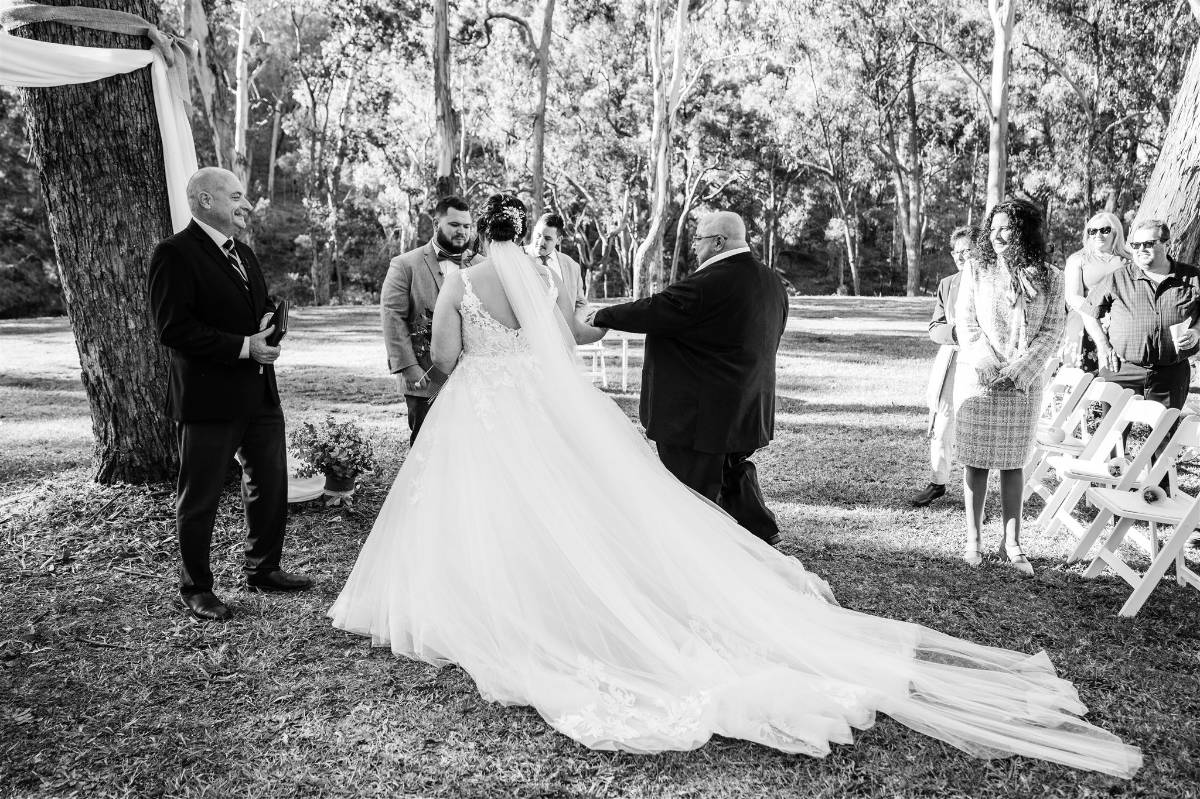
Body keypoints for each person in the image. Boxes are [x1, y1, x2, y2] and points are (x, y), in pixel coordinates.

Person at [328, 195, 1139, 777]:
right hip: (581, 405)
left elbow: (445, 360)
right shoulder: (569, 280)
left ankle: (495, 593)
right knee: (565, 501)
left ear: (474, 240)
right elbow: (559, 341)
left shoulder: (474, 284)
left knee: (506, 507)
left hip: (498, 405)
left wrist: (471, 364)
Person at [148, 167, 312, 622]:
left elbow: (253, 307)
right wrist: (244, 347)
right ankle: (196, 588)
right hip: (208, 397)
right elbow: (172, 328)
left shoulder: (243, 252)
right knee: (199, 496)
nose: (246, 205)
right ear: (205, 201)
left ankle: (263, 569)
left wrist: (268, 325)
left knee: (269, 485)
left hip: (259, 393)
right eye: (237, 196)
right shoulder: (174, 254)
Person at [586, 212, 789, 546]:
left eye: (698, 239)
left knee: (692, 492)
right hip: (748, 406)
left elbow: (657, 309)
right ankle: (761, 531)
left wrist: (603, 315)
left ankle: (699, 552)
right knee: (732, 469)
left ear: (719, 241)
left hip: (702, 413)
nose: (694, 247)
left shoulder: (714, 280)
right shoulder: (771, 281)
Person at [955, 199, 1065, 576]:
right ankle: (973, 539)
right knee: (976, 459)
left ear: (1025, 232)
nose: (999, 234)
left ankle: (1012, 541)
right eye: (995, 227)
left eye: (1008, 227)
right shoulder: (977, 268)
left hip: (1023, 384)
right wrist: (987, 363)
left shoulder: (1052, 277)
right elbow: (966, 321)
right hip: (980, 378)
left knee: (1014, 461)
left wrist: (1020, 371)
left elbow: (1051, 331)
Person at [381, 196, 480, 444]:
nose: (462, 231)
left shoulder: (482, 266)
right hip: (424, 376)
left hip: (474, 375)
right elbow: (393, 319)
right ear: (436, 224)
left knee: (471, 446)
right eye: (455, 224)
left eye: (467, 226)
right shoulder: (405, 265)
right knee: (426, 444)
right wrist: (408, 367)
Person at [1080, 218, 1200, 412]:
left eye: (1149, 244)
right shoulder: (1118, 278)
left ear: (1167, 245)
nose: (1140, 249)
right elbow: (1088, 312)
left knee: (1163, 437)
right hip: (1122, 370)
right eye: (1136, 244)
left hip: (1171, 372)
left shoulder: (1193, 277)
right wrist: (1103, 346)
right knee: (1111, 435)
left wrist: (1196, 331)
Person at [912, 227, 972, 507]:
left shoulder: (991, 281)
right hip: (952, 358)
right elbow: (935, 327)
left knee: (974, 425)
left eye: (967, 250)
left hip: (981, 362)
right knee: (943, 421)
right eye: (956, 251)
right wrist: (957, 333)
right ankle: (938, 481)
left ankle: (976, 492)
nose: (961, 256)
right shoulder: (948, 284)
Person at [1062, 212, 1131, 372]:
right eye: (1092, 231)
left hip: (1119, 319)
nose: (1097, 234)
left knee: (1114, 381)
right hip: (1084, 317)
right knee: (1079, 379)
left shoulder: (1128, 260)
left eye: (1104, 230)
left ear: (1116, 231)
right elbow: (1073, 296)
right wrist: (1096, 314)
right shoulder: (1078, 259)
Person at [526, 212, 587, 313]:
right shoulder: (517, 257)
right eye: (538, 235)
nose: (541, 242)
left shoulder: (572, 266)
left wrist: (573, 327)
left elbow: (581, 304)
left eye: (547, 238)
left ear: (559, 240)